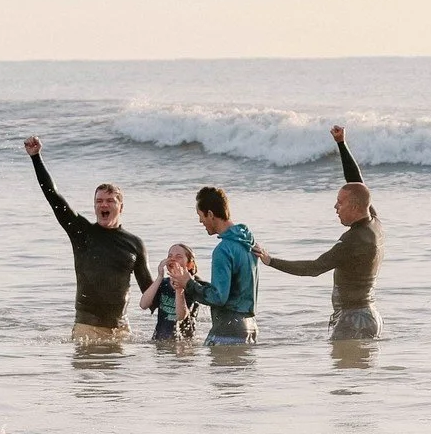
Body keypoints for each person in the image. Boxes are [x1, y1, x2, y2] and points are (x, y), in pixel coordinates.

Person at [253, 126, 384, 340]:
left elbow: (314, 268)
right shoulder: (374, 224)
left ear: (354, 207)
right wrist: (341, 144)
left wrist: (270, 260)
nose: (335, 207)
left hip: (354, 320)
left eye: (340, 203)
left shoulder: (353, 241)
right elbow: (356, 183)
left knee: (341, 372)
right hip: (369, 316)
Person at [24, 136, 151, 342]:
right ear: (94, 206)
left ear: (121, 207)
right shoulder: (81, 232)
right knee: (88, 376)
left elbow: (148, 290)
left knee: (120, 376)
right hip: (87, 329)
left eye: (110, 201)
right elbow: (53, 196)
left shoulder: (134, 244)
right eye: (99, 201)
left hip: (121, 330)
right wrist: (36, 157)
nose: (104, 205)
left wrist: (181, 290)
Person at [173, 186, 259, 345]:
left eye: (200, 216)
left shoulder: (223, 250)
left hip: (228, 329)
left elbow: (218, 297)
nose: (200, 221)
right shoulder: (248, 244)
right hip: (250, 327)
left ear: (211, 214)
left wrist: (189, 284)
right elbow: (233, 290)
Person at [139, 243, 200, 342]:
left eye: (178, 257)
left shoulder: (193, 286)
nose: (172, 259)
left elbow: (181, 316)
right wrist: (159, 277)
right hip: (159, 341)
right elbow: (143, 305)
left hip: (184, 345)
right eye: (170, 256)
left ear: (190, 265)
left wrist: (179, 289)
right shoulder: (163, 284)